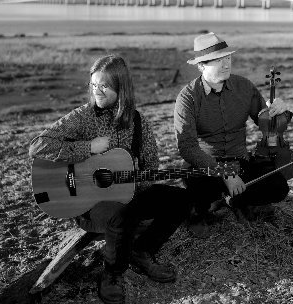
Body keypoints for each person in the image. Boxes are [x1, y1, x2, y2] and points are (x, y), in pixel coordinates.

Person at [29, 54, 191, 304]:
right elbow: (37, 146)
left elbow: (151, 165)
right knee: (120, 214)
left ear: (121, 87)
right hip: (88, 204)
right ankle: (112, 274)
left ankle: (143, 250)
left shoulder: (138, 123)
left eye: (104, 85)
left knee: (181, 199)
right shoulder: (83, 117)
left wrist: (130, 182)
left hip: (126, 194)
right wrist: (88, 148)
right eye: (93, 85)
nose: (97, 91)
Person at [174, 32, 292, 234]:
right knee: (199, 187)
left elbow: (267, 124)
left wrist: (281, 111)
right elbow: (186, 147)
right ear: (201, 65)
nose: (226, 64)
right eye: (218, 60)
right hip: (207, 164)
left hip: (240, 161)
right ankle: (222, 201)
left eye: (227, 58)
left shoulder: (244, 86)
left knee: (279, 187)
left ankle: (231, 199)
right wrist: (224, 173)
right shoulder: (188, 97)